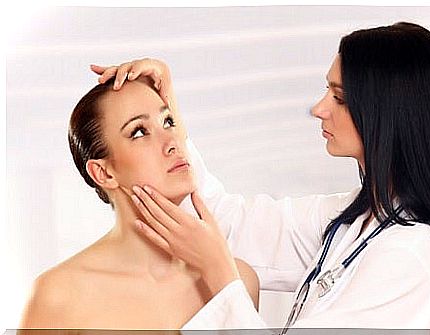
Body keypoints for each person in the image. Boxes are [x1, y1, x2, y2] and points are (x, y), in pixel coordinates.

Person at [92, 22, 430, 330]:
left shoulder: (409, 258)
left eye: (339, 97)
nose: (318, 108)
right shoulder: (359, 216)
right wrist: (169, 113)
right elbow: (231, 223)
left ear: (389, 116)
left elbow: (221, 244)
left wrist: (219, 273)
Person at [18, 76, 259, 329]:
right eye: (139, 132)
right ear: (105, 173)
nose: (172, 142)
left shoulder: (238, 281)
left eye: (168, 121)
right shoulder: (59, 295)